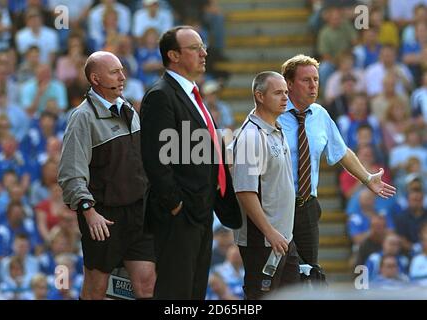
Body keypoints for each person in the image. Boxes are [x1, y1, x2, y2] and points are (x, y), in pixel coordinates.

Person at [140, 26, 241, 299]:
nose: (204, 53)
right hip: (179, 215)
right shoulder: (161, 95)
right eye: (195, 48)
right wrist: (175, 204)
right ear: (173, 55)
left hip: (201, 210)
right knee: (176, 292)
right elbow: (155, 158)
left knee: (194, 291)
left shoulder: (193, 94)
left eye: (203, 47)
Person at [277, 54, 396, 266]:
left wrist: (367, 179)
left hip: (306, 206)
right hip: (275, 205)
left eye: (316, 80)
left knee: (308, 272)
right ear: (289, 84)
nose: (313, 86)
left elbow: (342, 152)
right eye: (306, 80)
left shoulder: (320, 115)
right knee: (275, 274)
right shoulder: (271, 113)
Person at [58, 51, 156, 300]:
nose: (122, 77)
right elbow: (70, 173)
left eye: (122, 70)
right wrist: (89, 212)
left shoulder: (129, 109)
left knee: (146, 285)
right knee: (95, 289)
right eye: (114, 72)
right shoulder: (82, 117)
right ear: (95, 78)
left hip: (139, 212)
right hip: (104, 217)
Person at [232, 71, 299, 299]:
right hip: (263, 240)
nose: (285, 98)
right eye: (278, 93)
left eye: (286, 93)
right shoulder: (251, 136)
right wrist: (270, 232)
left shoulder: (276, 129)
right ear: (259, 96)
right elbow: (245, 191)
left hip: (284, 238)